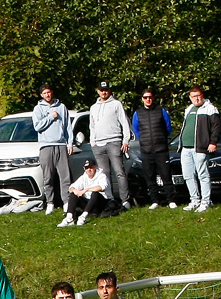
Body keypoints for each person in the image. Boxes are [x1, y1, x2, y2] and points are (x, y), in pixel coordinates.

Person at [89, 80, 133, 208]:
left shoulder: (116, 104)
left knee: (119, 172)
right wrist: (93, 143)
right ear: (98, 91)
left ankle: (125, 200)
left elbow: (124, 122)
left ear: (109, 91)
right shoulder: (93, 107)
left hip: (114, 141)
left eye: (106, 90)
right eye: (101, 90)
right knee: (104, 174)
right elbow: (92, 126)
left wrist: (125, 140)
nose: (104, 92)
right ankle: (109, 199)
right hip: (98, 145)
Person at [177, 85, 220, 213]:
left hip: (200, 147)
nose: (196, 99)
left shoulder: (210, 108)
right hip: (185, 148)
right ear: (190, 98)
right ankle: (194, 200)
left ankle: (206, 201)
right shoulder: (189, 109)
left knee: (203, 174)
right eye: (194, 96)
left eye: (198, 96)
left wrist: (213, 142)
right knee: (188, 175)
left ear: (202, 96)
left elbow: (216, 127)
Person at [131, 88, 176, 210]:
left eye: (150, 97)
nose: (148, 99)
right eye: (145, 97)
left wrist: (160, 139)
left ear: (153, 98)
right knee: (150, 177)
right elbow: (136, 130)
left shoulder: (161, 111)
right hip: (146, 151)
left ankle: (171, 199)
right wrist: (145, 141)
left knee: (166, 176)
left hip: (161, 149)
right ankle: (155, 200)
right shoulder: (137, 113)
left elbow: (168, 128)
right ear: (142, 99)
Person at [32, 84, 73, 214]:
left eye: (48, 92)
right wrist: (50, 117)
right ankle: (50, 202)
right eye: (44, 93)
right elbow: (37, 127)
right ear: (41, 95)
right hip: (46, 146)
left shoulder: (61, 107)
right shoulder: (37, 109)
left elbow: (68, 127)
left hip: (61, 145)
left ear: (52, 93)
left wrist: (69, 143)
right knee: (48, 177)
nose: (47, 95)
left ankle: (66, 202)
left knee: (65, 176)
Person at [58, 159, 113, 227]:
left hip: (102, 203)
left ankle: (83, 217)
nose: (89, 170)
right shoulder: (84, 177)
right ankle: (69, 218)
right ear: (84, 169)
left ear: (95, 167)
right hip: (89, 202)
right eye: (87, 168)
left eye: (91, 167)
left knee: (95, 193)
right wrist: (76, 191)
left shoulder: (102, 176)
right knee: (73, 194)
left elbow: (102, 187)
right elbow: (71, 188)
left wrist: (86, 190)